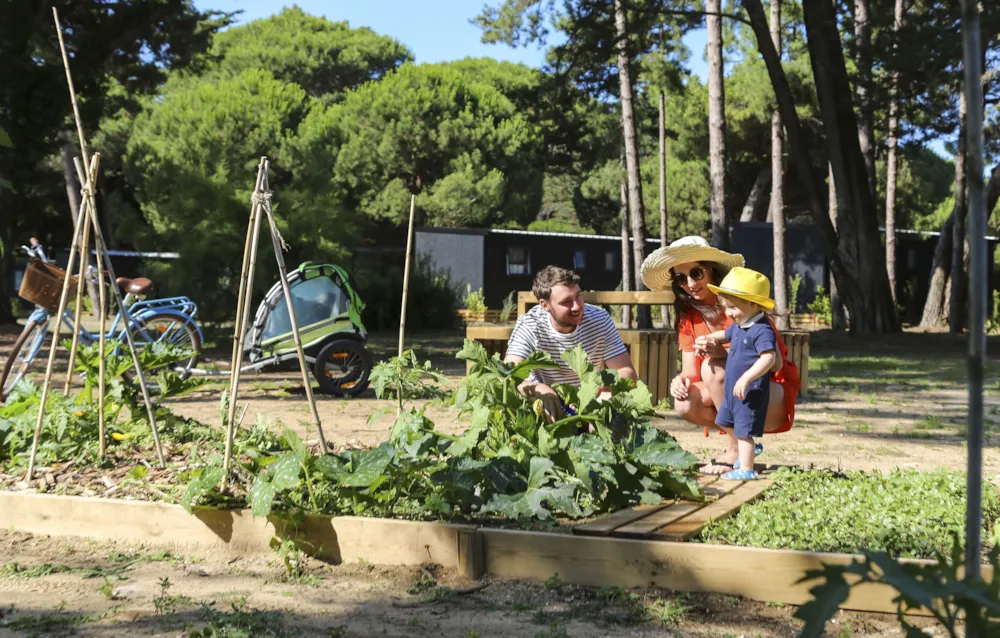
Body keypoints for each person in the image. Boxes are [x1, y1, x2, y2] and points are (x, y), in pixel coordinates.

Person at [639, 236, 800, 474]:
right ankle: (745, 445)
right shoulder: (689, 317)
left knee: (712, 367)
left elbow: (774, 365)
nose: (690, 283)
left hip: (766, 393)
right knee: (684, 401)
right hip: (733, 395)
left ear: (712, 271)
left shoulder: (741, 305)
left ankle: (735, 450)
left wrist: (723, 356)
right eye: (681, 278)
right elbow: (690, 371)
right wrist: (679, 380)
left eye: (696, 273)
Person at [504, 265, 637, 422]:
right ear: (545, 305)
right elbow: (508, 375)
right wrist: (539, 389)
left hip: (588, 403)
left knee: (612, 407)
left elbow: (627, 373)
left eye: (578, 296)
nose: (577, 306)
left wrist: (600, 384)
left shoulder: (599, 319)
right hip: (544, 405)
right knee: (510, 410)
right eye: (566, 302)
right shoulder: (530, 324)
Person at [699, 267, 780, 480]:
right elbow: (723, 334)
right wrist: (709, 339)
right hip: (732, 392)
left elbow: (769, 358)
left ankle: (746, 468)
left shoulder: (761, 329)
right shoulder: (740, 324)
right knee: (725, 422)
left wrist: (747, 377)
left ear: (753, 303)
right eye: (726, 307)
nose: (728, 313)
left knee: (744, 432)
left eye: (733, 307)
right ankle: (751, 449)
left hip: (750, 391)